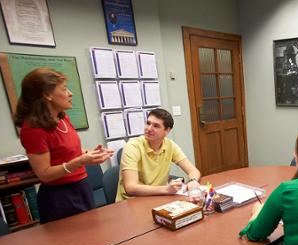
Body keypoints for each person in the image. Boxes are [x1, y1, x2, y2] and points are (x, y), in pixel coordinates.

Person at [14, 67, 114, 223]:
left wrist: (91, 154)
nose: (70, 93)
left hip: (81, 187)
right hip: (59, 196)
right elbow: (44, 174)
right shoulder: (33, 129)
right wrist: (80, 161)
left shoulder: (62, 118)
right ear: (47, 95)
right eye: (65, 89)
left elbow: (68, 152)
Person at [115, 108, 201, 201]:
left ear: (167, 130)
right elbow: (131, 188)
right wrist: (166, 189)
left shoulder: (170, 145)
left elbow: (193, 171)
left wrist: (193, 181)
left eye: (156, 126)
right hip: (132, 201)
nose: (149, 128)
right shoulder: (133, 146)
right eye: (148, 123)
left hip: (157, 197)